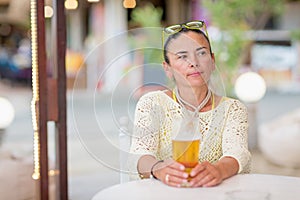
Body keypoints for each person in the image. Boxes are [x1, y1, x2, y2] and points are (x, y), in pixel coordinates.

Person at [128, 20, 251, 188]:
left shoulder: (233, 109)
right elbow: (139, 155)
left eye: (201, 53)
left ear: (213, 60)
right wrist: (158, 168)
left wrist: (219, 170)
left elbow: (238, 153)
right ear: (168, 68)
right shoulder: (152, 103)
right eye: (182, 56)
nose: (193, 62)